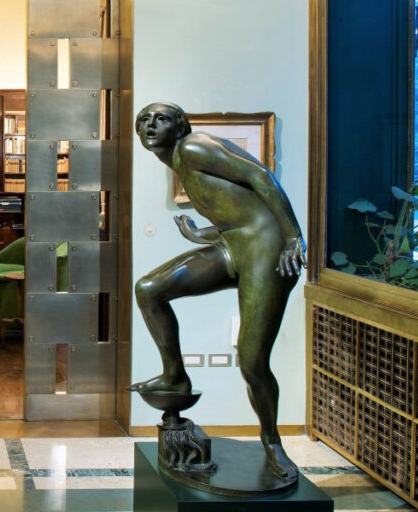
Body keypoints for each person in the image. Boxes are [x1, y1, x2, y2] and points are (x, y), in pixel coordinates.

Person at [131, 102, 306, 480]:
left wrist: (294, 237)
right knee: (149, 289)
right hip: (233, 247)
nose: (150, 125)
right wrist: (199, 234)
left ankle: (272, 442)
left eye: (160, 119)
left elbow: (261, 176)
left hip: (266, 251)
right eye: (143, 120)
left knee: (252, 361)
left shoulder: (194, 147)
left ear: (180, 126)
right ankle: (175, 376)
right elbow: (237, 216)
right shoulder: (179, 162)